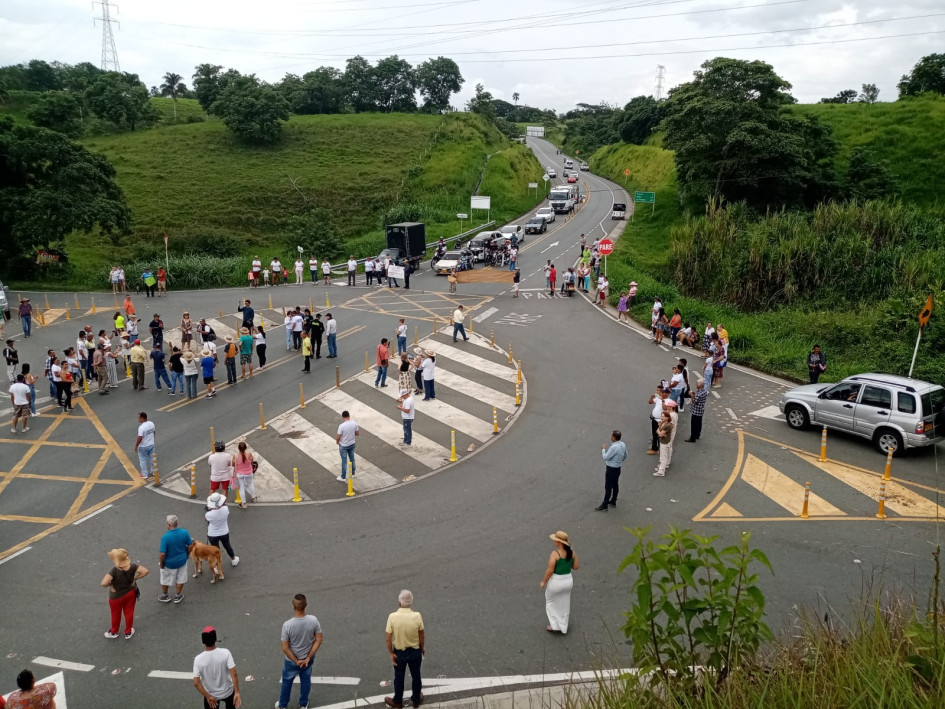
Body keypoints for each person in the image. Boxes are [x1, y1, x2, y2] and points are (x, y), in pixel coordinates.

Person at [277, 594, 324, 709]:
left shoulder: (287, 625)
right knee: (306, 680)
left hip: (291, 660)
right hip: (308, 658)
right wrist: (307, 658)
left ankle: (283, 705)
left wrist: (296, 660)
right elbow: (318, 640)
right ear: (306, 605)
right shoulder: (313, 620)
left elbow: (285, 648)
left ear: (293, 606)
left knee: (287, 682)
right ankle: (303, 704)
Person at [384, 590, 425, 709]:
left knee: (399, 676)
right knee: (416, 675)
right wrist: (422, 648)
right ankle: (416, 699)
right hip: (415, 651)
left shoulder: (392, 617)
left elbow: (388, 637)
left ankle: (397, 701)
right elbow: (421, 634)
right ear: (411, 602)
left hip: (399, 652)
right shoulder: (417, 616)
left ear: (399, 603)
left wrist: (391, 653)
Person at [102, 548, 149, 640]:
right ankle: (128, 632)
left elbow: (104, 583)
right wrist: (135, 579)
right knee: (129, 612)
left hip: (116, 597)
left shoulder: (114, 571)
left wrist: (111, 585)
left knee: (115, 614)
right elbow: (145, 571)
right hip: (130, 593)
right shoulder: (133, 566)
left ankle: (114, 632)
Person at [540, 531, 579, 634]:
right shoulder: (572, 552)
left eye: (555, 540)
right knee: (564, 603)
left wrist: (543, 582)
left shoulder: (555, 554)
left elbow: (550, 571)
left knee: (550, 602)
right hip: (568, 581)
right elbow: (576, 567)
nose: (554, 541)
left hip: (556, 582)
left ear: (560, 543)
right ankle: (563, 626)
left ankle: (555, 625)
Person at [193, 626, 241, 709]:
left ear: (203, 641)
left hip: (211, 694)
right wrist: (236, 692)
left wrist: (208, 696)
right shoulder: (226, 653)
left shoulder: (198, 659)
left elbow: (196, 683)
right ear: (215, 639)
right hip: (228, 692)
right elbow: (234, 674)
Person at [159, 515, 192, 603]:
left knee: (165, 579)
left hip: (169, 563)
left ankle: (165, 595)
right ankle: (178, 595)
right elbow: (190, 545)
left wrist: (161, 564)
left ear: (169, 525)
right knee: (181, 578)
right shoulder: (185, 533)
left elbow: (162, 554)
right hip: (182, 560)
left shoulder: (165, 537)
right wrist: (187, 554)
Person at [595, 430, 627, 511]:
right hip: (618, 468)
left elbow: (605, 457)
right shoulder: (622, 444)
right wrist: (618, 462)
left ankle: (604, 505)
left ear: (613, 437)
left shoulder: (614, 447)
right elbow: (626, 455)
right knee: (615, 484)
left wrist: (603, 449)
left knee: (608, 487)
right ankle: (613, 500)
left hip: (611, 469)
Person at [205, 492, 239, 567]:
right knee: (227, 546)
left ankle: (217, 566)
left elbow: (206, 520)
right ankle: (233, 559)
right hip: (224, 532)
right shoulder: (225, 509)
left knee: (215, 550)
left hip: (212, 534)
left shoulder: (208, 514)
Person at [336, 410, 358, 481]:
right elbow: (357, 433)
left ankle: (343, 477)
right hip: (352, 444)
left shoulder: (341, 426)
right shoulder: (354, 423)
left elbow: (338, 437)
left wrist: (337, 442)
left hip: (343, 445)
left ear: (343, 417)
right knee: (352, 458)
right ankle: (353, 473)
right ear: (349, 416)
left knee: (344, 461)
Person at [233, 442, 257, 508]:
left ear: (238, 448)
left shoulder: (235, 456)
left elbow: (233, 464)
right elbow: (252, 461)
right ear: (246, 448)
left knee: (241, 488)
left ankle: (244, 503)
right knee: (250, 484)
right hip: (249, 473)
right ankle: (254, 498)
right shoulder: (249, 454)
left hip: (240, 474)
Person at [134, 412, 156, 479]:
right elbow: (154, 432)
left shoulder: (141, 427)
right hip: (151, 444)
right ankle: (153, 471)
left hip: (143, 447)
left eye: (139, 418)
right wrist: (151, 440)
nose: (138, 419)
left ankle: (144, 474)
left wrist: (136, 446)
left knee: (143, 460)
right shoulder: (152, 424)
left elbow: (140, 437)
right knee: (152, 459)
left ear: (142, 418)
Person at [654, 410, 675, 477]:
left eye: (663, 416)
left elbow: (660, 434)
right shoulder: (666, 424)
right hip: (666, 441)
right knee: (666, 455)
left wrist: (658, 430)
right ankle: (664, 466)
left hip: (664, 442)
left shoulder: (667, 425)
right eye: (661, 416)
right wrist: (660, 426)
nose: (662, 418)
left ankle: (661, 471)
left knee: (663, 457)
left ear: (667, 418)